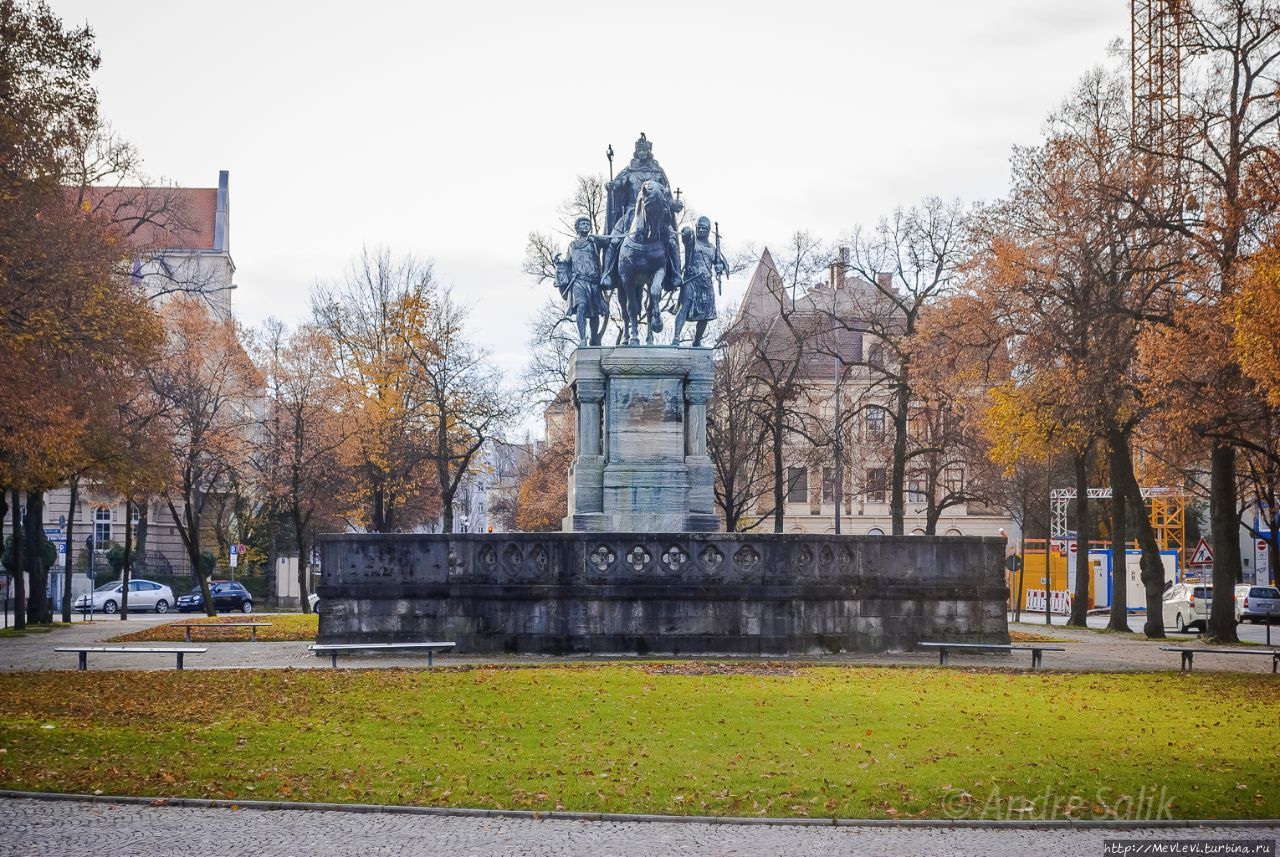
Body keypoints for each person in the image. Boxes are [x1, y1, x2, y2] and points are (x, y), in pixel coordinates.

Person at [602, 133, 682, 288]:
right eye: (639, 149)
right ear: (636, 151)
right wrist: (613, 185)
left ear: (649, 151)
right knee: (614, 240)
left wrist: (674, 204)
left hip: (655, 214)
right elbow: (620, 182)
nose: (642, 152)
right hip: (632, 212)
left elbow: (667, 195)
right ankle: (607, 273)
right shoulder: (629, 170)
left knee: (671, 240)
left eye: (644, 149)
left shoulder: (658, 172)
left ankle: (676, 273)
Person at [556, 216, 611, 346]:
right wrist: (558, 261)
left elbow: (607, 243)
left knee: (595, 312)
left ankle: (593, 338)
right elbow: (568, 262)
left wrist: (598, 238)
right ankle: (582, 339)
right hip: (578, 281)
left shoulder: (594, 242)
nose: (586, 225)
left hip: (593, 282)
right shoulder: (572, 245)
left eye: (587, 224)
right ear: (577, 228)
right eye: (583, 224)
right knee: (581, 306)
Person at [672, 216, 726, 347]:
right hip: (691, 280)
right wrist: (687, 231)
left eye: (704, 228)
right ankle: (676, 338)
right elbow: (686, 235)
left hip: (706, 283)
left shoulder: (713, 249)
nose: (700, 230)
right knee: (684, 307)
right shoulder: (692, 242)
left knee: (706, 316)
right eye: (698, 227)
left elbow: (719, 263)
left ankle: (697, 340)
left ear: (708, 230)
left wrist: (720, 267)